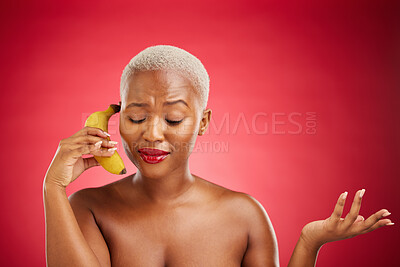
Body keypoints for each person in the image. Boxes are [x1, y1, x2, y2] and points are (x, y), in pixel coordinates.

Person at [43, 45, 393, 267]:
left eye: (174, 119)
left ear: (203, 122)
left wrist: (309, 242)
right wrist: (53, 188)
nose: (152, 133)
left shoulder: (244, 215)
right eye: (136, 117)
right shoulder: (88, 208)